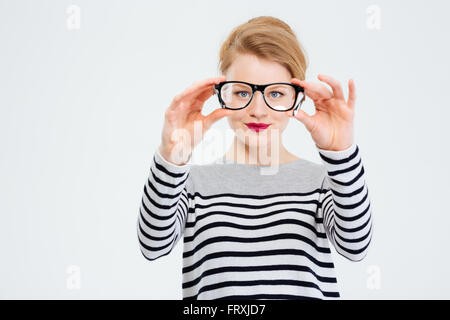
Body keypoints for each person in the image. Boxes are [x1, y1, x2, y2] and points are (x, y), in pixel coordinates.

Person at [137, 16, 373, 300]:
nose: (258, 110)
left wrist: (341, 154)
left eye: (275, 92)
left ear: (297, 97)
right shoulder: (191, 184)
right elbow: (153, 246)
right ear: (222, 93)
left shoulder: (322, 181)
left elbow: (355, 247)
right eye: (242, 92)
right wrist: (172, 155)